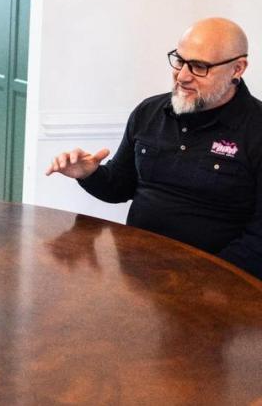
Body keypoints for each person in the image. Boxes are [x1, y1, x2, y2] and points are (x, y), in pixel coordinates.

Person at [46, 17, 261, 279]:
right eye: (180, 61)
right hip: (140, 273)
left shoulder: (255, 129)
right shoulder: (149, 112)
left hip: (216, 286)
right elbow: (120, 186)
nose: (182, 76)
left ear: (237, 69)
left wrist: (206, 280)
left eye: (199, 67)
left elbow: (258, 239)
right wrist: (89, 173)